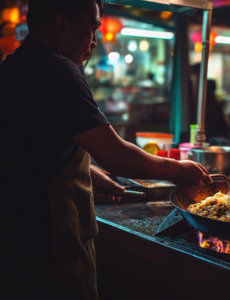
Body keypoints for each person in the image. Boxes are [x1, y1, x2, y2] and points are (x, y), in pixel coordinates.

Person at [0, 1, 211, 299]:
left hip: (15, 240)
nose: (95, 41)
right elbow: (115, 154)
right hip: (49, 244)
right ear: (62, 24)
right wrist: (176, 169)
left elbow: (30, 147)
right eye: (92, 28)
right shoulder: (59, 69)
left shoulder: (14, 65)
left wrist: (91, 174)